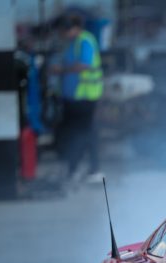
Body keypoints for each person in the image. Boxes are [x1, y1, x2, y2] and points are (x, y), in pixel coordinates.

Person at [51, 13, 103, 182]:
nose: (62, 34)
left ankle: (89, 169)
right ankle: (75, 167)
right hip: (73, 97)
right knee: (75, 133)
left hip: (85, 96)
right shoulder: (73, 43)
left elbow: (84, 65)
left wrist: (61, 70)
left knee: (83, 133)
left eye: (63, 30)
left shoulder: (85, 41)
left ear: (73, 28)